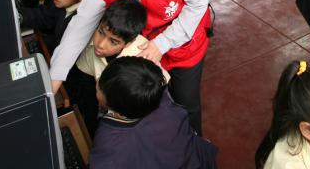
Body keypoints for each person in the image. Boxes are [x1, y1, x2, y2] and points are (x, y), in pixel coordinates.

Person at [49, 0, 211, 135]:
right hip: (143, 48)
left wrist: (163, 43)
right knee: (151, 107)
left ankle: (193, 148)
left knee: (186, 104)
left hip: (184, 47)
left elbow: (198, 5)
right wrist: (55, 77)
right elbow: (80, 26)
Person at [89, 57, 218, 168]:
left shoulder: (109, 148)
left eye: (99, 89)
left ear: (116, 108)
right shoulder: (160, 99)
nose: (98, 80)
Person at [67, 0, 151, 136]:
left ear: (129, 43)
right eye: (100, 32)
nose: (100, 44)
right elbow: (85, 86)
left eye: (113, 41)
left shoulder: (143, 58)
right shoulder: (91, 48)